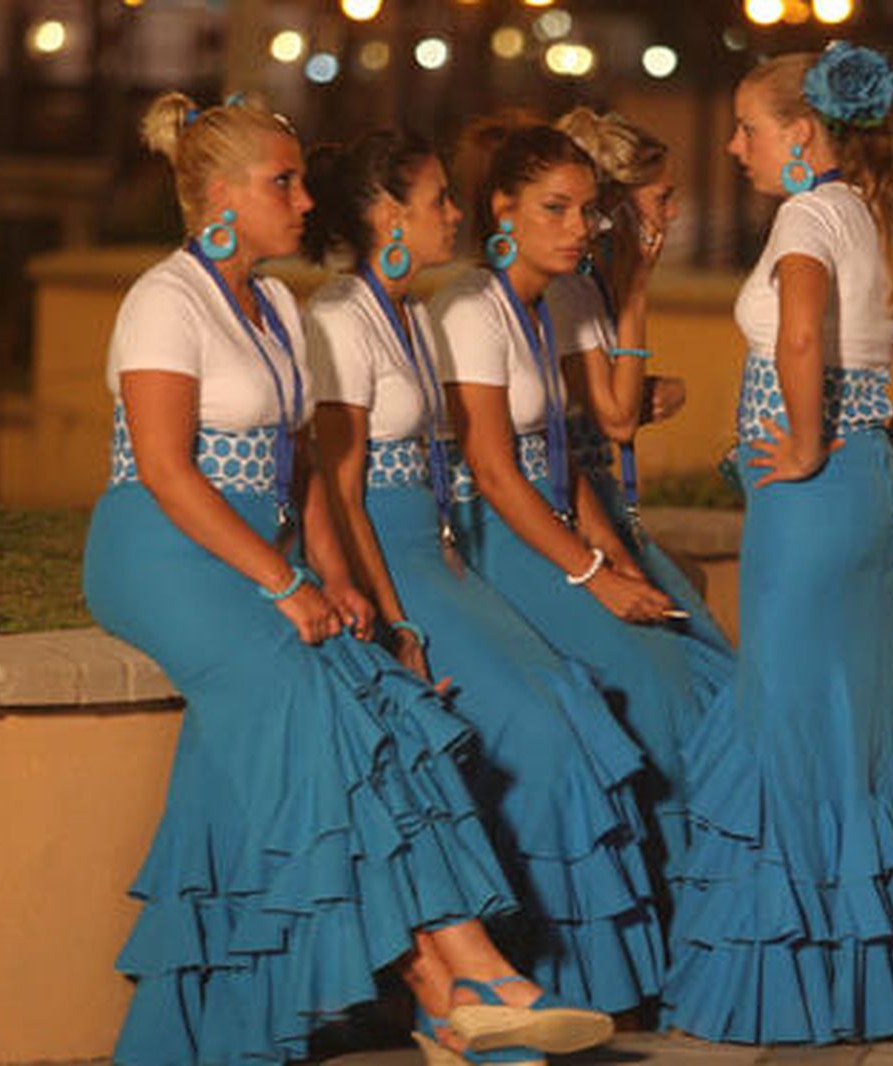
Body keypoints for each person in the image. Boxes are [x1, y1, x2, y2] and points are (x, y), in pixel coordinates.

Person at [82, 91, 611, 1065]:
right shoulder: (164, 297)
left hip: (257, 549)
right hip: (161, 552)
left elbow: (307, 475)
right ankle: (458, 983)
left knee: (377, 694)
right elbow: (164, 470)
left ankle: (457, 989)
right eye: (281, 180)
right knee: (304, 695)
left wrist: (341, 586)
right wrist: (286, 585)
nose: (301, 195)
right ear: (218, 197)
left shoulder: (277, 302)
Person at [302, 129, 667, 1019]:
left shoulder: (416, 316)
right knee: (536, 730)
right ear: (387, 215)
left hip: (439, 553)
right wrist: (398, 625)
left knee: (568, 703)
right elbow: (341, 491)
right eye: (436, 201)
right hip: (392, 566)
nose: (454, 213)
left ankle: (588, 984)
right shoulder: (337, 318)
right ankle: (511, 975)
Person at [661, 44, 893, 1045]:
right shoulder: (878, 216)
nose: (733, 144)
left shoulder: (807, 215)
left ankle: (785, 989)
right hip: (873, 492)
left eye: (747, 128)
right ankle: (873, 986)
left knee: (787, 723)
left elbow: (801, 334)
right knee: (856, 726)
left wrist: (800, 442)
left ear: (800, 135)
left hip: (808, 502)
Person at [432, 121, 732, 924]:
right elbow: (496, 472)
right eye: (555, 209)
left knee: (707, 675)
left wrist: (611, 551)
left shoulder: (545, 305)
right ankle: (670, 920)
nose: (579, 230)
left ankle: (714, 918)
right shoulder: (471, 306)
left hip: (558, 523)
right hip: (504, 536)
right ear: (503, 207)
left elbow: (561, 455)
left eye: (587, 212)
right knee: (656, 686)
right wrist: (594, 576)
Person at [548, 107, 730, 651]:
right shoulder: (570, 292)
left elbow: (609, 396)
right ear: (618, 208)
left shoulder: (595, 287)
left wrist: (654, 388)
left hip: (605, 496)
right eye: (662, 199)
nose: (672, 215)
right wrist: (637, 288)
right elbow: (618, 419)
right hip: (576, 509)